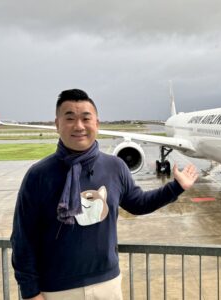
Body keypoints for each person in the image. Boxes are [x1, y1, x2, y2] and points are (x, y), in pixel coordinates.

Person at [10, 89, 198, 300]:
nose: (79, 126)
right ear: (57, 124)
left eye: (85, 118)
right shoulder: (39, 175)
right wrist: (30, 292)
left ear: (97, 123)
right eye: (70, 118)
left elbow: (138, 203)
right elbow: (22, 238)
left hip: (107, 284)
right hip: (56, 289)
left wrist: (175, 187)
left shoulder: (114, 167)